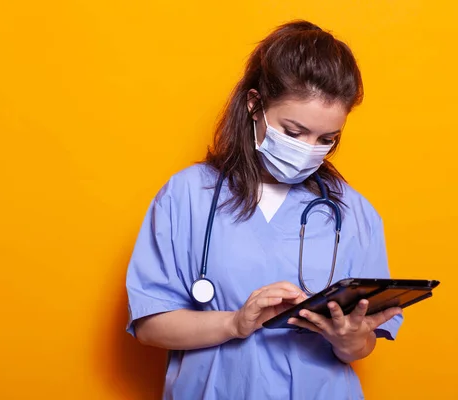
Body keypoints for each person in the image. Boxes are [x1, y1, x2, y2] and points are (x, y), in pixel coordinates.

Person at [125, 19, 403, 399]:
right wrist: (236, 323)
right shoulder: (188, 195)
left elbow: (360, 346)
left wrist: (351, 339)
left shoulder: (353, 213)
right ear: (255, 104)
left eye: (327, 139)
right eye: (293, 132)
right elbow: (150, 325)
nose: (309, 149)